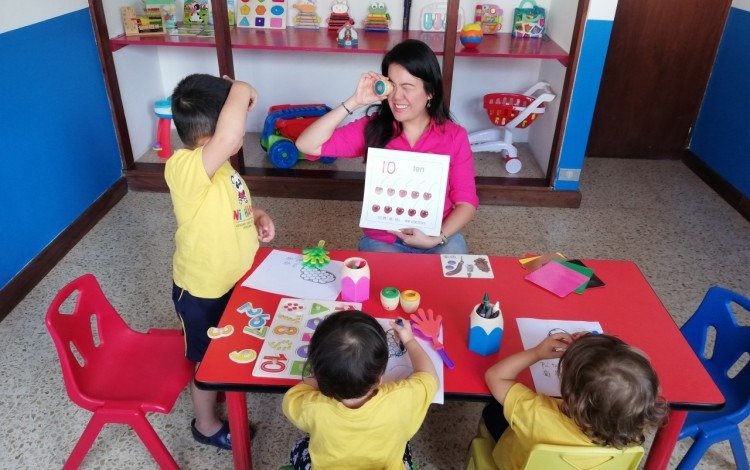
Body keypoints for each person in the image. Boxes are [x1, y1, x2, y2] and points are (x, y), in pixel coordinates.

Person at [165, 73, 275, 450]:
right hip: (201, 293)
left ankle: (227, 383)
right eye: (238, 119)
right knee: (207, 362)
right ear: (213, 133)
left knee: (228, 343)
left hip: (233, 282)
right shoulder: (182, 168)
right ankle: (206, 424)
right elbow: (229, 137)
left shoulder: (219, 166)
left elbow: (231, 204)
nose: (240, 133)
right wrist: (241, 85)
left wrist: (257, 214)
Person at [295, 39, 478, 254]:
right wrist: (354, 102)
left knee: (451, 283)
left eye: (408, 87)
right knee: (384, 286)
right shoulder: (374, 127)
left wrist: (438, 238)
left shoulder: (454, 136)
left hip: (437, 234)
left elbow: (466, 202)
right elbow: (306, 144)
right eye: (392, 85)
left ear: (430, 92)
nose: (397, 97)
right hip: (385, 240)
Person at [483, 332, 669, 469]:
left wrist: (537, 353)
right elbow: (632, 374)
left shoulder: (537, 413)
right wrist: (592, 346)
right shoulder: (636, 422)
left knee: (493, 411)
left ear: (570, 395)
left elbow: (495, 377)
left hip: (513, 463)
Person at [282, 311, 438, 469]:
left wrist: (319, 377)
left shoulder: (310, 406)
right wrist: (409, 340)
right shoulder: (402, 398)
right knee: (404, 444)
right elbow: (428, 376)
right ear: (378, 379)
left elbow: (294, 395)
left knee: (300, 446)